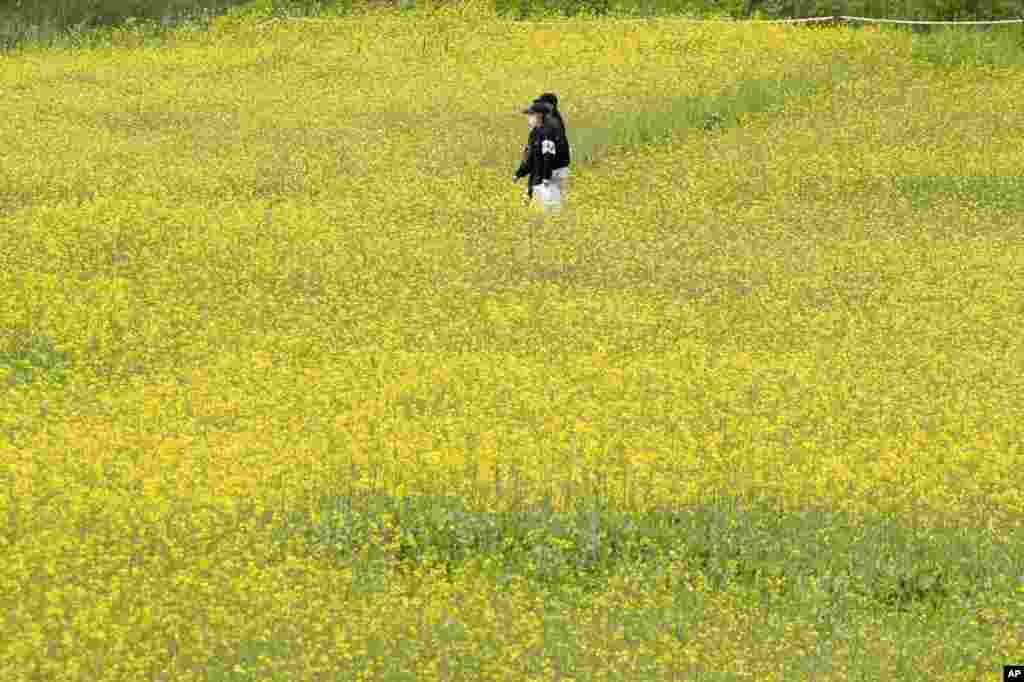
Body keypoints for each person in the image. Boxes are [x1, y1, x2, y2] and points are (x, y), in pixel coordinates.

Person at [514, 101, 562, 214]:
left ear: (539, 116)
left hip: (545, 179)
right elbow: (529, 157)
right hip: (534, 178)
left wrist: (546, 177)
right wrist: (519, 173)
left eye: (531, 115)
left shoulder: (548, 133)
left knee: (546, 211)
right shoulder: (533, 133)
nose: (529, 118)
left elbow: (548, 157)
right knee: (529, 208)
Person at [535, 93, 571, 202]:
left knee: (553, 200)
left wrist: (547, 170)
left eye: (542, 103)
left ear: (550, 105)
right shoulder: (553, 118)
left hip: (556, 167)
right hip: (559, 165)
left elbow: (553, 146)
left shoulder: (552, 122)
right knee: (557, 198)